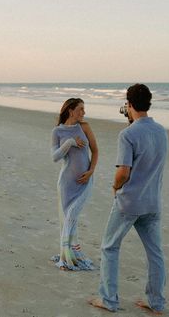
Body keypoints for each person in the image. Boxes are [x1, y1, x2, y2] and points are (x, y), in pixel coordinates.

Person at [89, 84, 168, 314]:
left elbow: (123, 171)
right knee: (155, 253)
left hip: (130, 202)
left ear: (129, 104)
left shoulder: (128, 134)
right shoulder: (161, 131)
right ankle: (156, 302)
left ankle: (108, 300)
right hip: (153, 201)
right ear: (148, 103)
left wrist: (115, 186)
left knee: (109, 247)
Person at [51, 98, 98, 271]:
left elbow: (96, 151)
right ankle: (68, 255)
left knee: (71, 216)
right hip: (66, 183)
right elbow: (55, 157)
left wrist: (91, 171)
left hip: (85, 182)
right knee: (67, 220)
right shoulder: (57, 131)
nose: (84, 113)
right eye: (80, 109)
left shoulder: (84, 127)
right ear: (71, 110)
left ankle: (68, 256)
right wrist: (70, 142)